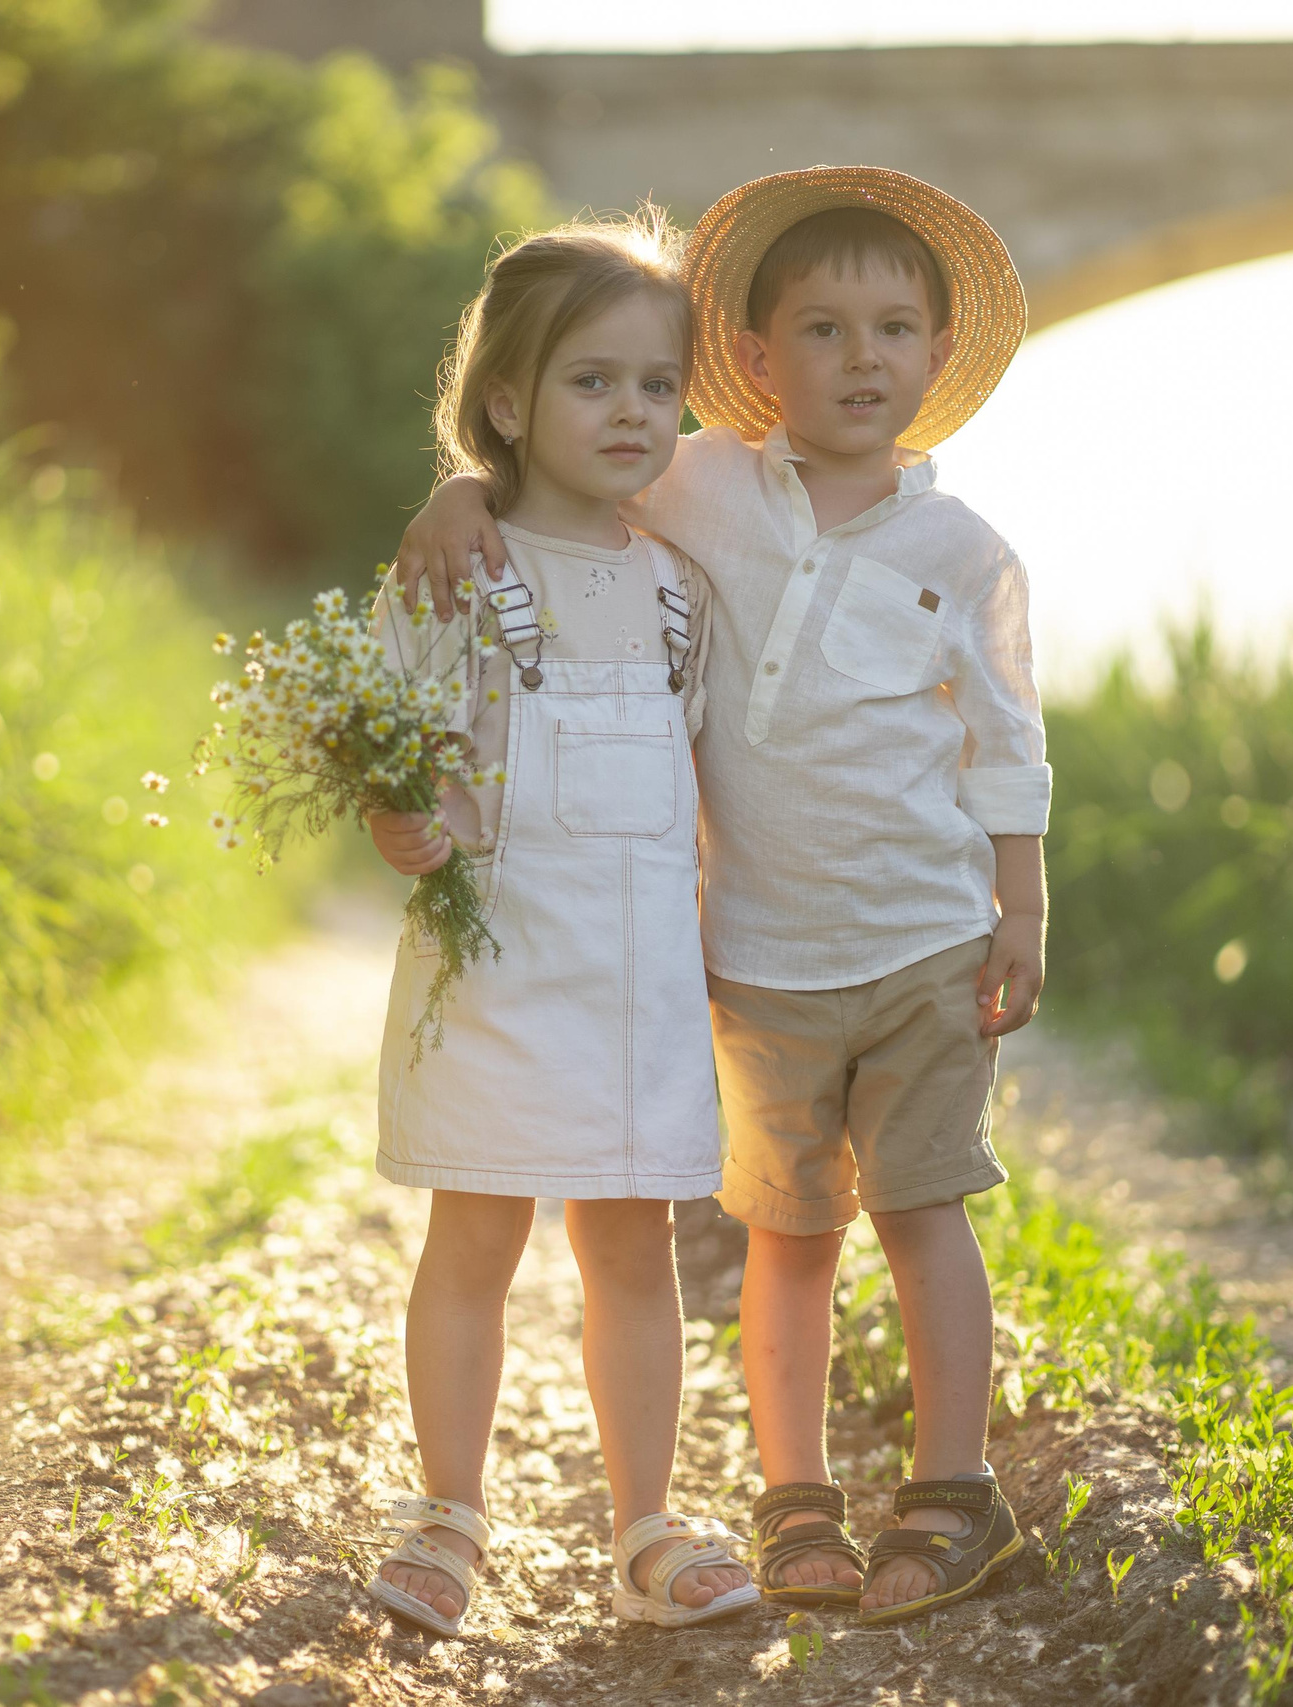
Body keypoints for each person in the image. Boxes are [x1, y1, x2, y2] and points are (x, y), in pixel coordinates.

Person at [387, 167, 1049, 1626]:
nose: (861, 357)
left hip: (794, 955)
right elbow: (506, 529)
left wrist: (1024, 901)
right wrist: (449, 490)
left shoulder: (884, 552)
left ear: (940, 354)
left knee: (801, 1225)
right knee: (629, 1232)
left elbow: (1004, 740)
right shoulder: (653, 503)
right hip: (631, 962)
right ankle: (539, 1512)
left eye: (895, 329)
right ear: (753, 363)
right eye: (822, 328)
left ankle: (821, 1504)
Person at [361, 209, 759, 1640]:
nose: (634, 412)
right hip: (499, 970)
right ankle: (450, 1512)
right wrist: (399, 817)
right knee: (474, 1235)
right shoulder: (456, 567)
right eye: (594, 382)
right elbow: (388, 740)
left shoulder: (678, 588)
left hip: (638, 982)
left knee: (633, 1247)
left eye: (659, 385)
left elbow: (705, 776)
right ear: (511, 403)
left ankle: (645, 1527)